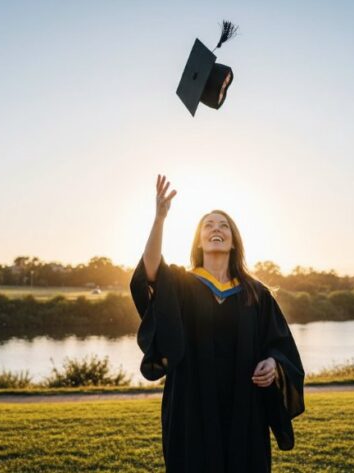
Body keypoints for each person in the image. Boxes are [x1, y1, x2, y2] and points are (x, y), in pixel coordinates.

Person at [130, 174, 305, 473]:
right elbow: (149, 272)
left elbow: (280, 345)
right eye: (208, 225)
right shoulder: (182, 284)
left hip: (245, 407)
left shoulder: (256, 293)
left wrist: (274, 364)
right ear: (199, 241)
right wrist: (159, 218)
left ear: (234, 242)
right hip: (192, 403)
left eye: (224, 225)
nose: (216, 229)